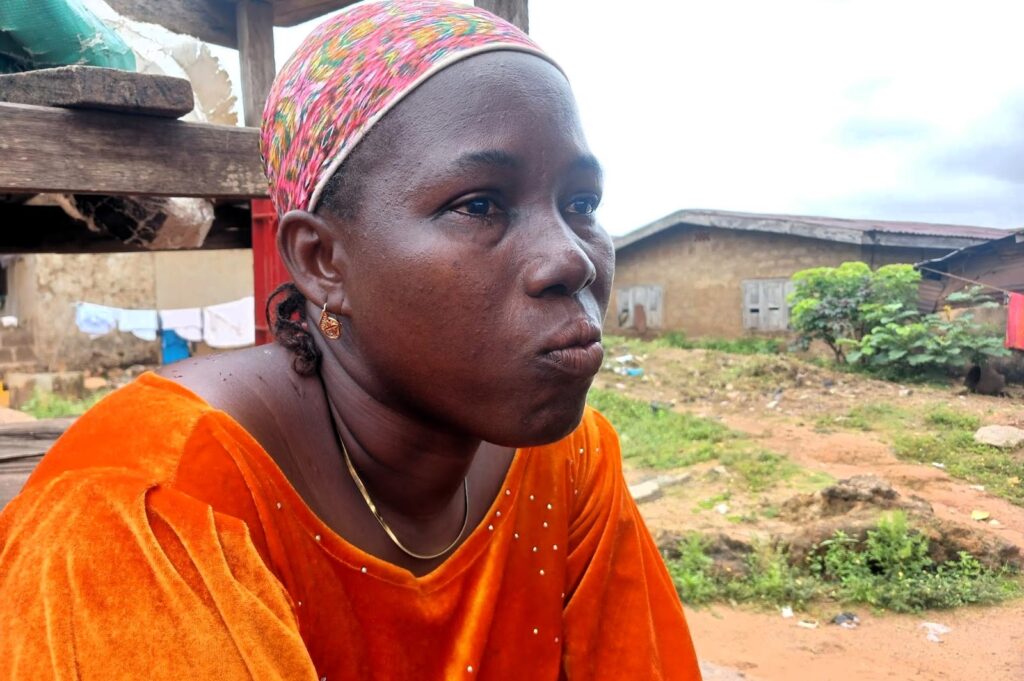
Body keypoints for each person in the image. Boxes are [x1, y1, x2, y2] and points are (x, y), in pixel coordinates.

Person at [0, 2, 701, 678]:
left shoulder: (567, 467)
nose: (573, 259)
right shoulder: (144, 517)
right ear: (320, 261)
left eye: (581, 205)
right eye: (479, 204)